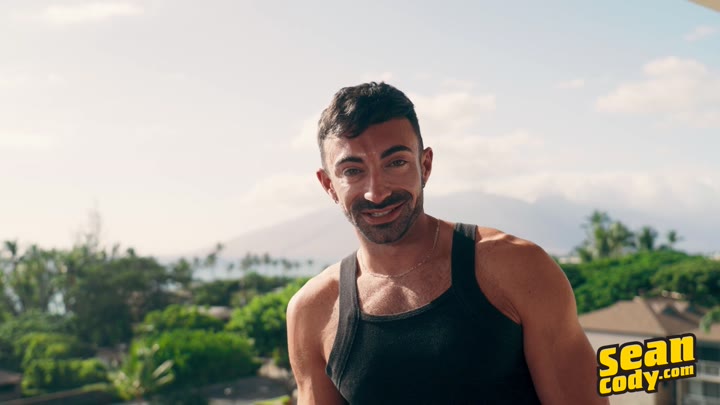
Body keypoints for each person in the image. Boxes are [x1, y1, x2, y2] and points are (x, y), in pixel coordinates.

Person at [286, 82, 607, 404]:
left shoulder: (517, 267)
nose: (377, 192)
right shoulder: (313, 311)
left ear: (425, 166)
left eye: (395, 163)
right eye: (353, 171)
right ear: (328, 185)